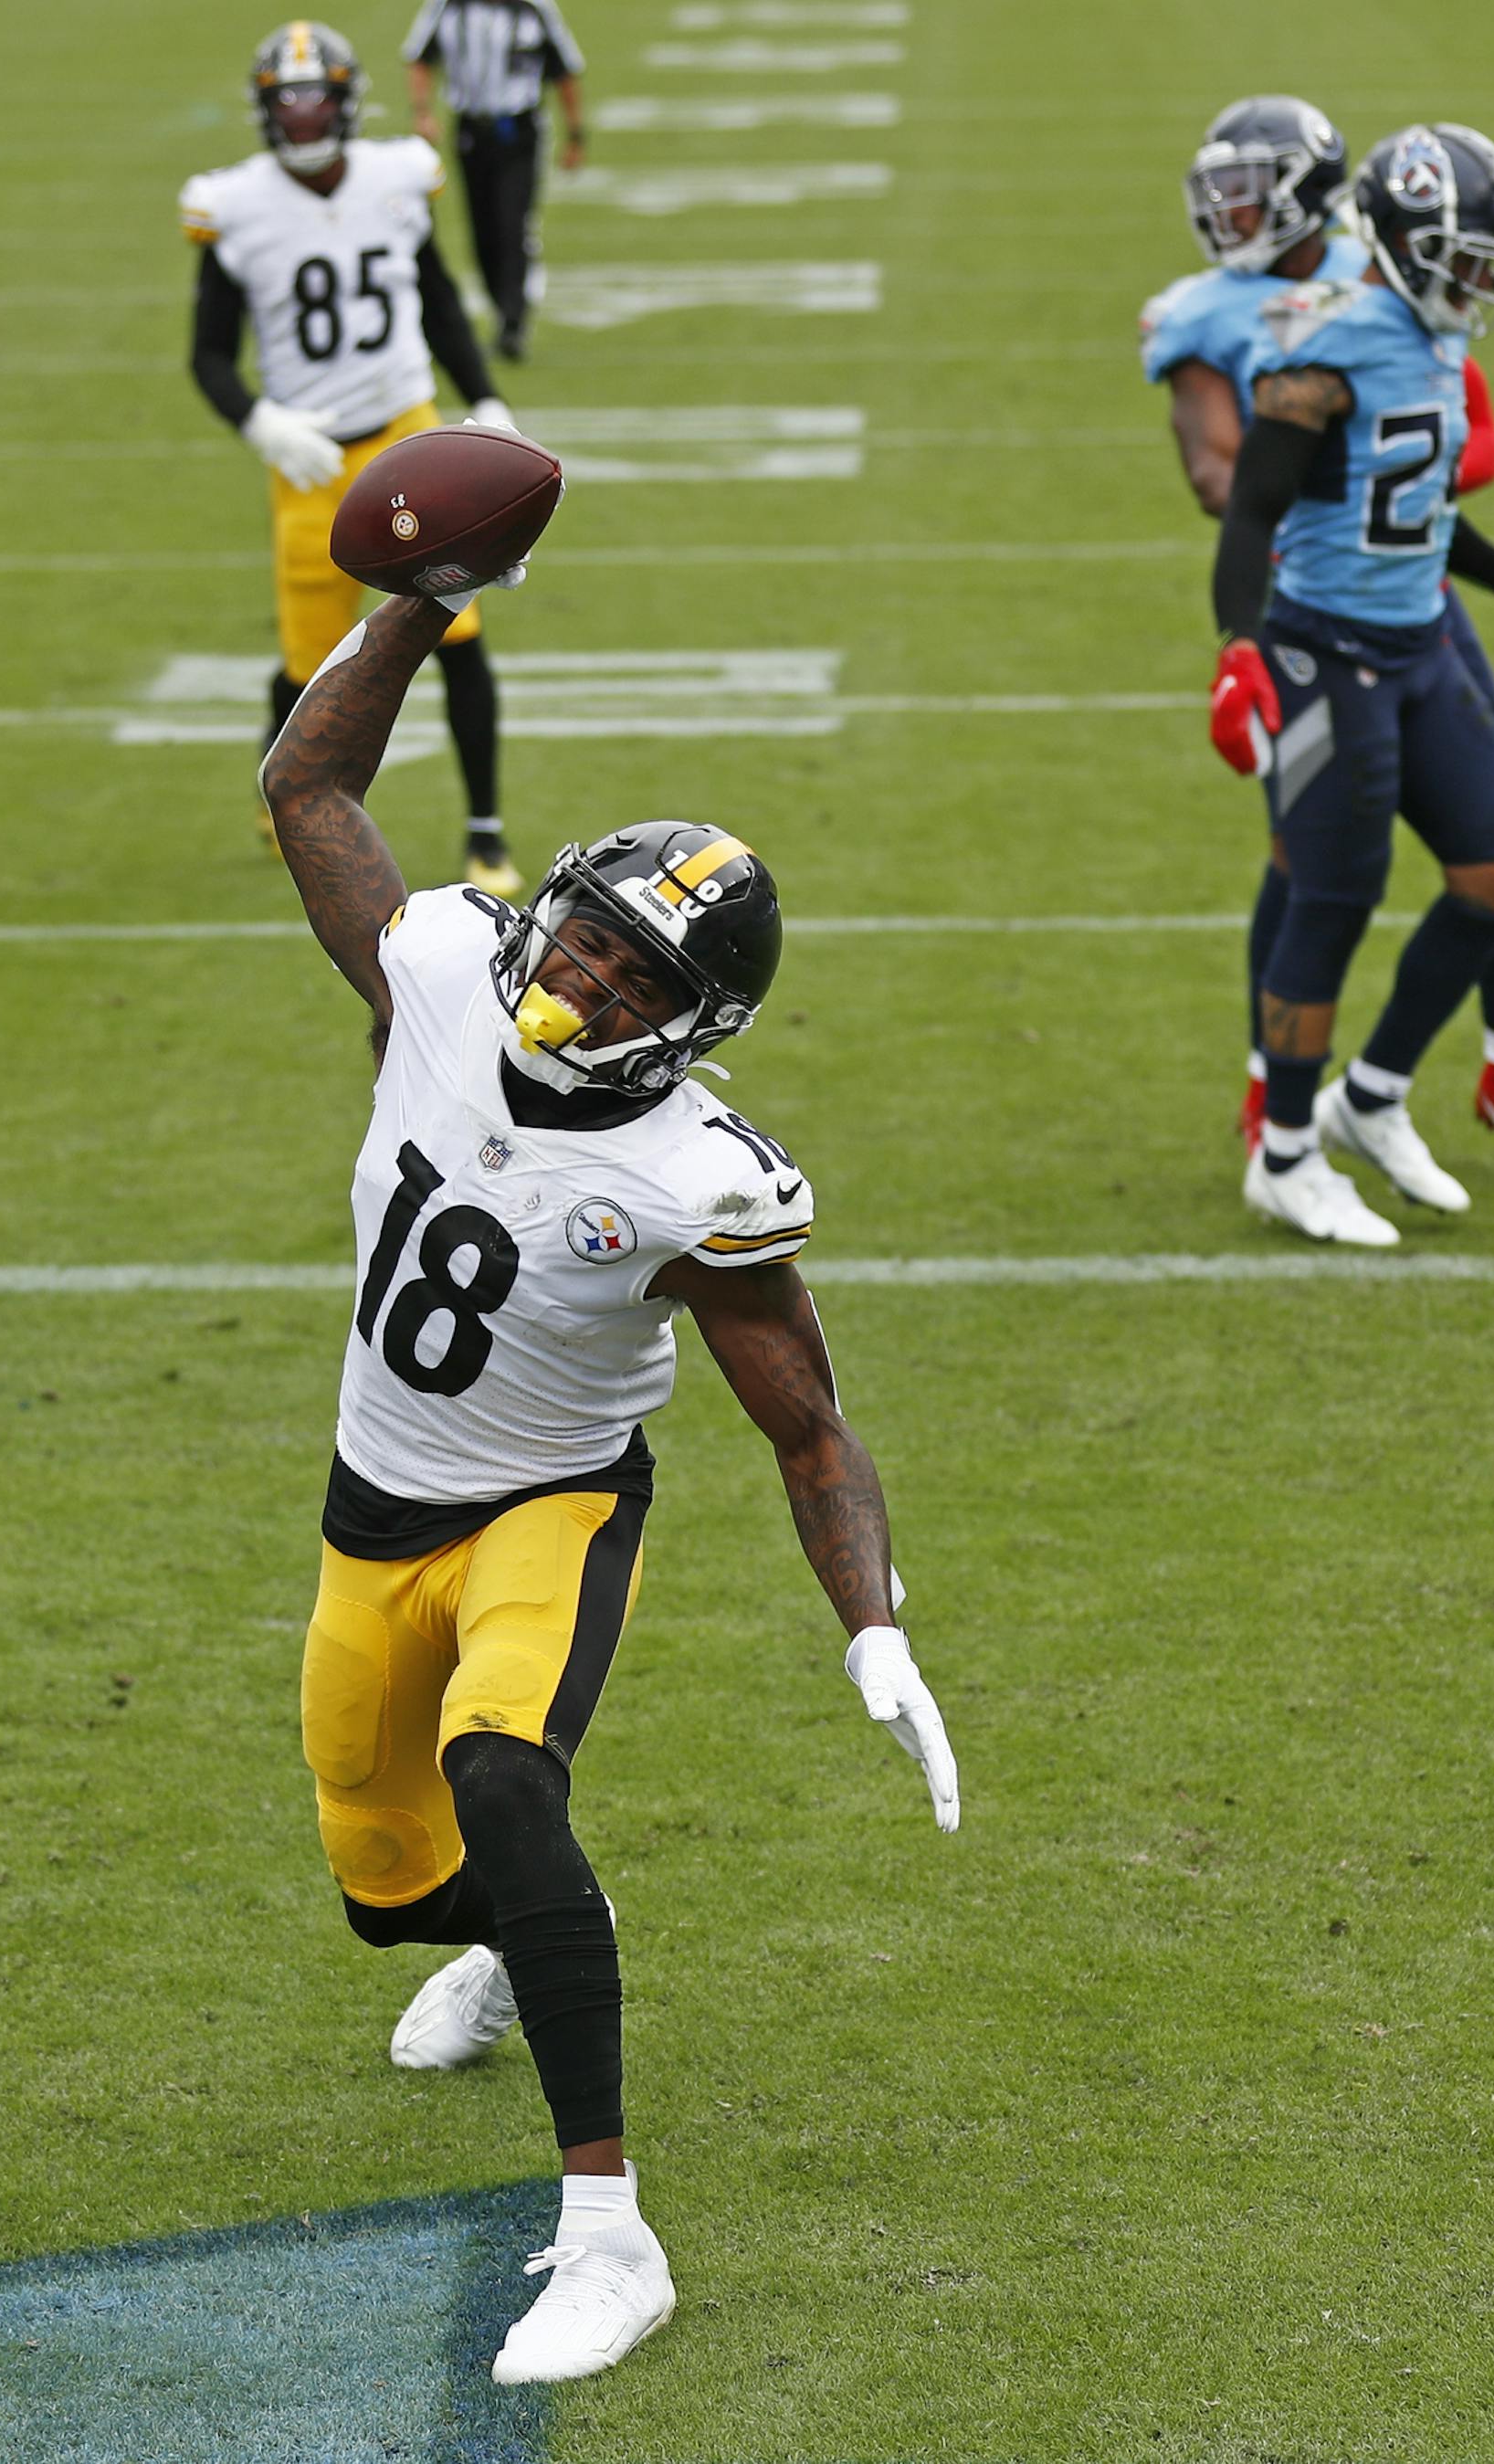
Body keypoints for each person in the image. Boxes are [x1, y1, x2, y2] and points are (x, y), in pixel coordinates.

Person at [258, 559, 959, 2383]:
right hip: (370, 1498)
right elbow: (308, 790)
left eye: (630, 971)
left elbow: (804, 1420)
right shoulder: (429, 972)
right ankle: (540, 1917)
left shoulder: (693, 1175)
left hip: (549, 1508)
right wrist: (412, 599)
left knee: (503, 1763)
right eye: (583, 932)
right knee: (387, 1885)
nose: (578, 970)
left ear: (691, 1016)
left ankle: (610, 2231)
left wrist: (871, 1622)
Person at [1142, 99, 1494, 1175]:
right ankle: (1276, 1107)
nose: (1227, 209)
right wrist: (1326, 465)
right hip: (1310, 603)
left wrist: (1419, 488)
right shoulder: (1210, 313)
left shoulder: (1391, 272)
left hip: (1417, 589)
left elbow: (1460, 441)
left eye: (1250, 187)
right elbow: (1222, 482)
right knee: (1311, 868)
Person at [182, 20, 526, 893]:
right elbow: (208, 356)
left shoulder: (396, 176)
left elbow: (439, 300)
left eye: (315, 105)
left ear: (345, 104)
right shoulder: (236, 205)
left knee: (460, 632)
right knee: (308, 655)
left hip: (410, 434)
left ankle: (486, 825)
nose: (302, 123)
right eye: (286, 109)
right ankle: (280, 786)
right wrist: (264, 424)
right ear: (266, 115)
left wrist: (483, 400)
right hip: (308, 455)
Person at [402, 0, 587, 362]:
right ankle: (503, 307)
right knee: (483, 232)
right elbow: (418, 57)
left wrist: (576, 134)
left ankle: (514, 322)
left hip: (519, 131)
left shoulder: (534, 9)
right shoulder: (447, 8)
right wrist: (422, 113)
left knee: (512, 225)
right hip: (471, 130)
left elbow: (565, 69)